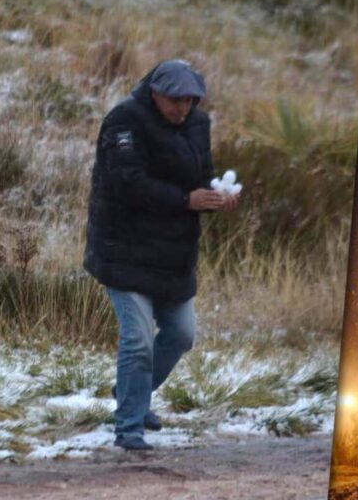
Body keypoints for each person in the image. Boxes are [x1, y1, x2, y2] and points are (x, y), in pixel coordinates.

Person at [84, 60, 239, 450]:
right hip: (123, 249)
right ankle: (129, 429)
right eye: (175, 100)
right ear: (155, 92)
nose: (182, 108)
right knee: (137, 341)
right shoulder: (123, 121)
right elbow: (126, 182)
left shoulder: (197, 124)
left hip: (173, 254)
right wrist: (185, 200)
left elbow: (200, 175)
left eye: (190, 100)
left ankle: (130, 394)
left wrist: (216, 195)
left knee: (181, 335)